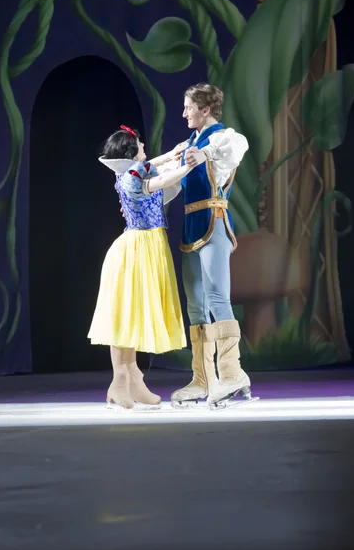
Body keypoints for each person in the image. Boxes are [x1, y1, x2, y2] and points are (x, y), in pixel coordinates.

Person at [88, 125, 202, 411]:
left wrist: (173, 154)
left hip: (149, 247)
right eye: (139, 145)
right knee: (125, 315)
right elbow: (159, 179)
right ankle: (120, 381)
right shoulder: (129, 178)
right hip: (135, 250)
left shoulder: (137, 171)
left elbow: (151, 165)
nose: (143, 148)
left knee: (136, 314)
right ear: (130, 153)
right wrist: (186, 166)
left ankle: (134, 379)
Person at [171, 83, 258, 410]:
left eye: (188, 107)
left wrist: (205, 153)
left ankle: (233, 373)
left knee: (218, 296)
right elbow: (169, 179)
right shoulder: (187, 144)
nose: (184, 113)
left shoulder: (223, 137)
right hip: (191, 224)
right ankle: (203, 378)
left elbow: (238, 144)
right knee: (195, 304)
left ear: (205, 109)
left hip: (213, 221)